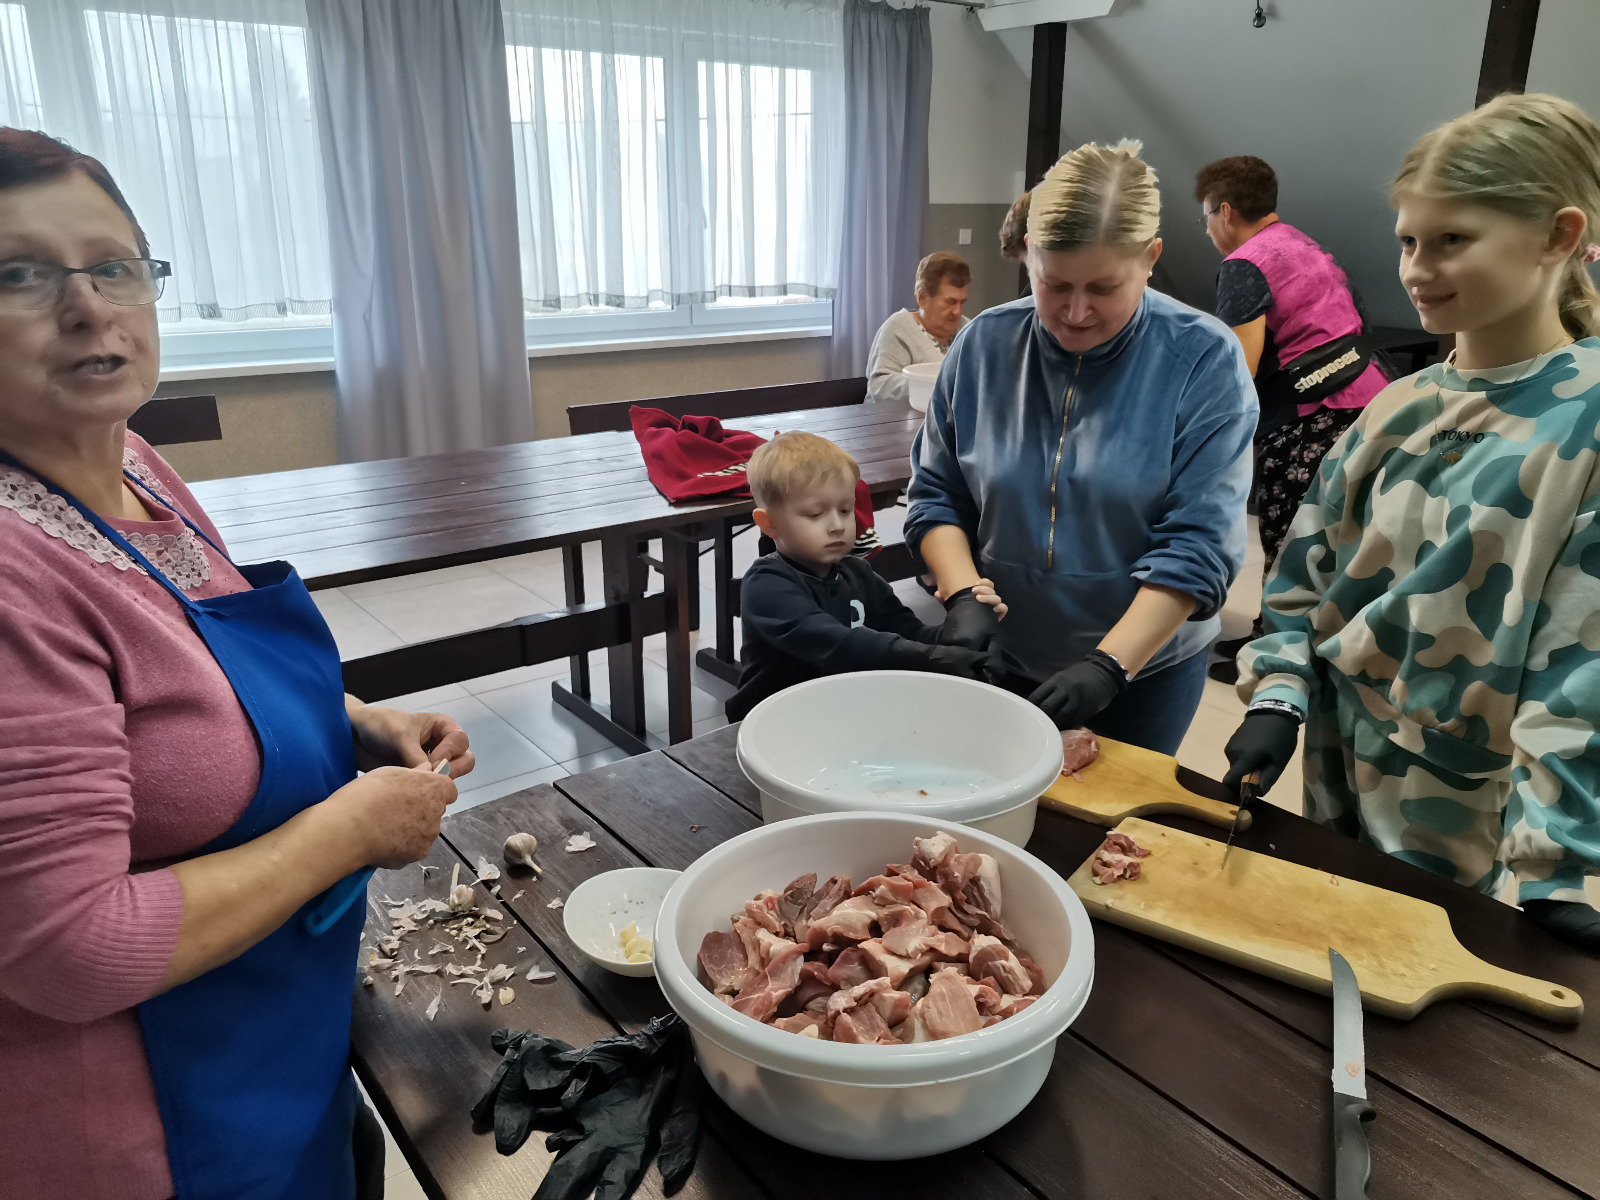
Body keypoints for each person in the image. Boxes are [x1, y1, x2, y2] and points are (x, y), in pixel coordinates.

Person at [0, 129, 472, 1198]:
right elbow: (71, 949)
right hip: (152, 1126)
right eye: (19, 276)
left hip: (279, 1031)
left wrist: (356, 721)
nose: (88, 309)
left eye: (112, 265)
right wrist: (350, 828)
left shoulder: (133, 463)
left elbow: (189, 682)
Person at [1223, 94, 1600, 951]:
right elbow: (1303, 575)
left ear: (1558, 236)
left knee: (1431, 972)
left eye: (1452, 240)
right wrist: (1279, 694)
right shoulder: (1396, 406)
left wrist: (1552, 864)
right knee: (1330, 946)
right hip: (1338, 745)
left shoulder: (1585, 421)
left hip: (1468, 789)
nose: (1417, 270)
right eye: (1408, 241)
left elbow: (1580, 667)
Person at [907, 140, 1257, 755]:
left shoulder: (1203, 359)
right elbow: (937, 492)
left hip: (1142, 668)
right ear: (1029, 256)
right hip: (1003, 652)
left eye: (1103, 287)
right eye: (1053, 283)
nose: (1075, 312)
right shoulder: (984, 345)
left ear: (1150, 259)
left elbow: (1199, 544)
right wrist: (963, 593)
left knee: (1113, 816)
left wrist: (1109, 665)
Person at [1195, 155, 1391, 682]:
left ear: (1225, 211)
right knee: (1342, 536)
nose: (1207, 230)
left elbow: (1240, 366)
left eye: (1206, 217)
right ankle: (1316, 642)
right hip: (1373, 402)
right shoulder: (1306, 246)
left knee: (1289, 538)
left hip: (1311, 415)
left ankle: (1274, 655)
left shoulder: (1244, 263)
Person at [726, 432, 1004, 720]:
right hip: (776, 720)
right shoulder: (766, 584)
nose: (837, 525)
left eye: (845, 509)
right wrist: (930, 658)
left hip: (842, 713)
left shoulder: (859, 574)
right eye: (815, 514)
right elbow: (836, 644)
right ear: (769, 523)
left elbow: (909, 633)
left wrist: (962, 628)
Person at [864, 251, 971, 403]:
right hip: (896, 417)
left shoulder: (969, 329)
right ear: (922, 297)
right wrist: (928, 385)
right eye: (950, 302)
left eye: (962, 302)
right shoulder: (898, 329)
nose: (958, 311)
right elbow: (879, 386)